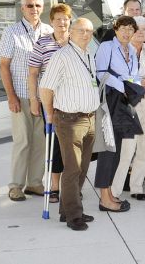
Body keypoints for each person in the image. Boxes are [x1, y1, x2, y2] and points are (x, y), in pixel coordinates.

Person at [39, 18, 100, 231]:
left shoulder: (89, 55)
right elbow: (46, 88)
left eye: (90, 31)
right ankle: (74, 215)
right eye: (81, 30)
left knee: (83, 168)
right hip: (69, 120)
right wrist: (49, 115)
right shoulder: (62, 56)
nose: (86, 34)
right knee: (72, 169)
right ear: (71, 32)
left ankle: (68, 210)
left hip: (90, 118)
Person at [0, 0, 53, 201]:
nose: (34, 9)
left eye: (38, 5)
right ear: (22, 8)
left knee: (40, 142)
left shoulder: (49, 31)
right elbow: (3, 66)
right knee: (23, 142)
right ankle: (16, 186)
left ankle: (35, 183)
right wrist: (10, 96)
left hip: (43, 97)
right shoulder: (11, 32)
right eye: (30, 5)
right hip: (21, 95)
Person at [27, 3, 72, 205]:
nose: (62, 22)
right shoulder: (43, 43)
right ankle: (54, 187)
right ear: (51, 22)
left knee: (72, 146)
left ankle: (72, 187)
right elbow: (33, 73)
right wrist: (34, 100)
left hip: (74, 101)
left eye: (66, 18)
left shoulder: (78, 40)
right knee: (54, 145)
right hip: (50, 101)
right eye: (58, 19)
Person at [95, 15, 141, 212]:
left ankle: (110, 193)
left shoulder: (131, 49)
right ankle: (104, 198)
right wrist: (123, 86)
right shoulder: (107, 47)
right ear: (115, 29)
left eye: (131, 29)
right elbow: (101, 72)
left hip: (125, 102)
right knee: (108, 151)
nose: (127, 32)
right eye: (123, 28)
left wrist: (134, 87)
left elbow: (135, 75)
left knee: (118, 151)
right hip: (111, 101)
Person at [112, 16, 145, 201]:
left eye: (144, 29)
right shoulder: (121, 51)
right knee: (127, 150)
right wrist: (136, 81)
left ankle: (137, 187)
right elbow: (115, 77)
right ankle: (115, 191)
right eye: (136, 28)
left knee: (144, 148)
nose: (140, 32)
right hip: (130, 104)